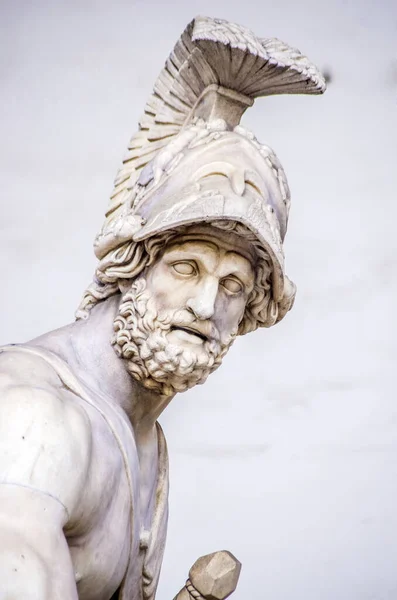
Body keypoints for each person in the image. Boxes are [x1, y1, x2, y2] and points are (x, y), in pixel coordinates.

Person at [0, 16, 325, 600]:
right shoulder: (35, 421)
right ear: (132, 264)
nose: (204, 305)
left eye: (232, 284)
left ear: (253, 306)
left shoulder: (143, 439)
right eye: (186, 267)